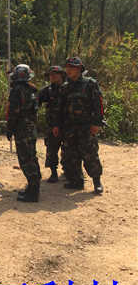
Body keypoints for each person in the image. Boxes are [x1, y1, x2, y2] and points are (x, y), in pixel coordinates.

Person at [52, 57, 104, 194]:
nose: (68, 70)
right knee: (70, 156)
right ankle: (76, 181)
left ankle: (97, 182)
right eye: (67, 67)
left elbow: (98, 105)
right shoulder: (65, 87)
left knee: (90, 154)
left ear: (79, 69)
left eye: (72, 67)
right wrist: (56, 125)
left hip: (86, 127)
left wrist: (97, 123)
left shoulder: (90, 84)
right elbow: (59, 108)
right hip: (69, 127)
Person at [6, 64, 41, 202]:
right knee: (32, 157)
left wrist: (10, 129)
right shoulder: (32, 89)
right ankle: (33, 188)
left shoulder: (17, 91)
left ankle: (33, 193)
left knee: (26, 159)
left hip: (22, 129)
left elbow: (13, 112)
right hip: (31, 128)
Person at [38, 66, 66, 183]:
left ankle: (70, 172)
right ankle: (53, 173)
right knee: (51, 150)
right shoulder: (47, 90)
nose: (52, 76)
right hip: (52, 125)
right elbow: (36, 101)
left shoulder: (68, 88)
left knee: (71, 150)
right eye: (50, 74)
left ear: (61, 75)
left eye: (55, 74)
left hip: (69, 125)